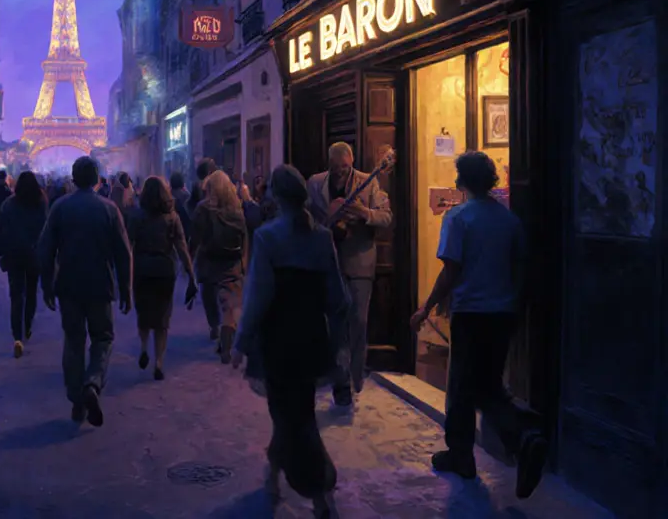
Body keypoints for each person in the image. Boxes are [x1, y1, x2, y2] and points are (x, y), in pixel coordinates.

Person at [409, 151, 548, 499]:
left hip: (471, 313)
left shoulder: (458, 217)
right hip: (503, 314)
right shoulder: (508, 220)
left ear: (463, 180)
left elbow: (451, 270)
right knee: (488, 384)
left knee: (460, 388)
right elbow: (521, 268)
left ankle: (468, 454)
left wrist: (426, 308)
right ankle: (523, 437)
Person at [233, 165, 349, 519]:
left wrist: (241, 340)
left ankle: (318, 490)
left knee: (290, 417)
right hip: (312, 338)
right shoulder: (322, 237)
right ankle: (277, 476)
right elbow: (337, 299)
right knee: (296, 412)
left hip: (278, 340)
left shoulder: (268, 238)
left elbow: (258, 296)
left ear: (275, 198)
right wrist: (341, 343)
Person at [38, 156, 133, 427]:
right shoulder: (110, 208)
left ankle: (76, 398)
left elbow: (45, 249)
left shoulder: (60, 207)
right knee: (103, 338)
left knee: (74, 340)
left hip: (68, 284)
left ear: (73, 177)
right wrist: (126, 288)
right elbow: (123, 253)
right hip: (100, 284)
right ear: (96, 179)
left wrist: (46, 283)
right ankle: (93, 382)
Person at [308, 142, 392, 406]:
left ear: (352, 162)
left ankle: (355, 375)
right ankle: (340, 379)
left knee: (358, 321)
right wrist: (325, 222)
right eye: (336, 168)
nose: (340, 173)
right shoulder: (315, 183)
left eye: (345, 168)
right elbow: (308, 217)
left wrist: (363, 213)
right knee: (334, 323)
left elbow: (386, 217)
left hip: (360, 263)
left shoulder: (368, 183)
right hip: (329, 262)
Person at [125, 176, 196, 380]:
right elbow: (181, 247)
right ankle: (159, 362)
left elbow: (129, 247)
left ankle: (144, 348)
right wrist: (191, 274)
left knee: (144, 313)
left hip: (142, 269)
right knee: (163, 318)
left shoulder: (137, 216)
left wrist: (125, 276)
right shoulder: (172, 217)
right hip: (165, 269)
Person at [191, 170, 249, 362]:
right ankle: (227, 336)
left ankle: (214, 327)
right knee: (229, 305)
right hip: (231, 262)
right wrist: (243, 261)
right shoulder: (237, 209)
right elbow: (244, 237)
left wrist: (190, 260)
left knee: (209, 296)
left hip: (208, 261)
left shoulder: (202, 209)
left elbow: (195, 238)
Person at [0, 171, 49, 358]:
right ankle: (28, 326)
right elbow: (47, 230)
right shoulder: (41, 205)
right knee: (31, 293)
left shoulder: (9, 204)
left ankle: (17, 337)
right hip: (33, 254)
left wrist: (0, 248)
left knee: (16, 295)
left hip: (14, 254)